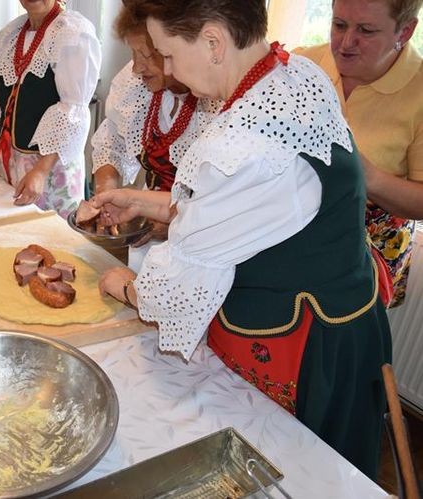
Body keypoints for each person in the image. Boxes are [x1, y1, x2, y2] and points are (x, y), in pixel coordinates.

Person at [94, 0, 392, 480]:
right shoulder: (298, 74)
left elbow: (174, 295)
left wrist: (123, 285)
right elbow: (258, 211)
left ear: (213, 42)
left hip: (299, 346)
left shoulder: (240, 141)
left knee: (290, 475)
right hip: (351, 324)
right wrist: (142, 200)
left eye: (168, 53)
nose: (166, 68)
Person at [294, 0, 423, 308]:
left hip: (364, 261)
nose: (346, 43)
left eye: (366, 30)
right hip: (289, 240)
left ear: (404, 31)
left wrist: (369, 177)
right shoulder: (300, 65)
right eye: (339, 25)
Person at [91, 1, 219, 268]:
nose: (137, 68)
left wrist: (170, 219)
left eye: (148, 55)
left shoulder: (217, 103)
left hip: (205, 244)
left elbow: (218, 200)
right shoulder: (135, 84)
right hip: (146, 230)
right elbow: (112, 142)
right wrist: (107, 194)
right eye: (133, 53)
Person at [0, 0, 101, 219]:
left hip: (49, 169)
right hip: (8, 162)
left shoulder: (72, 33)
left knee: (50, 243)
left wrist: (40, 172)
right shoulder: (10, 34)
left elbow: (73, 111)